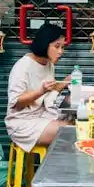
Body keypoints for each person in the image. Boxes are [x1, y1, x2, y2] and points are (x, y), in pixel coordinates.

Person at [5, 23, 70, 152]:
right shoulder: (23, 67)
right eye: (57, 46)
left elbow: (48, 93)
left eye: (63, 47)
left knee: (78, 123)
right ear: (44, 44)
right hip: (22, 124)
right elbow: (16, 103)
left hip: (41, 116)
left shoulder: (48, 64)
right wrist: (41, 91)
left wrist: (63, 84)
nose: (60, 51)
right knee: (70, 131)